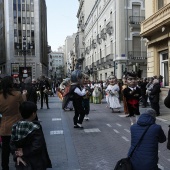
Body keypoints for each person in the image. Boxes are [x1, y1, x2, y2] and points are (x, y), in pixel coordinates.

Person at [10, 101, 52, 170]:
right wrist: (24, 152)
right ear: (33, 113)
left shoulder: (16, 126)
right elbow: (37, 145)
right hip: (36, 162)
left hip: (21, 162)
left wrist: (17, 156)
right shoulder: (35, 127)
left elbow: (12, 144)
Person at [0, 76, 24, 170]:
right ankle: (20, 164)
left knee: (5, 149)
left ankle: (4, 167)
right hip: (16, 124)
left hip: (4, 125)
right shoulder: (17, 94)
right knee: (18, 147)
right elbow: (23, 106)